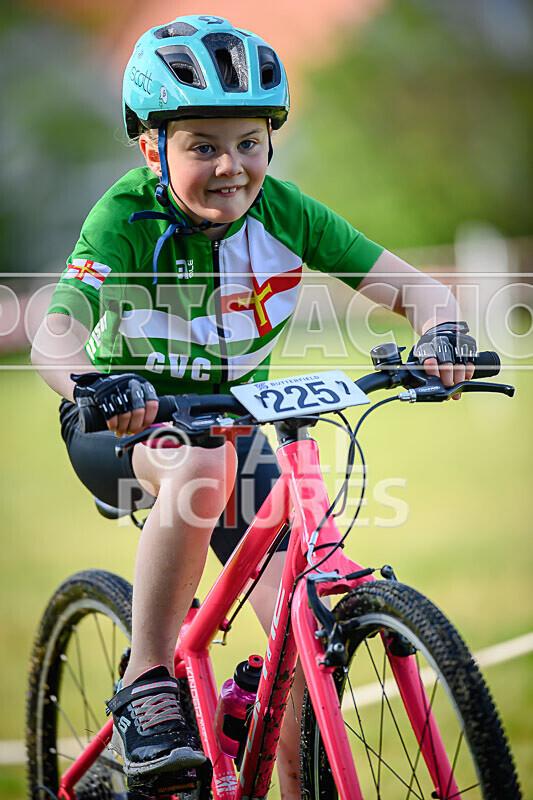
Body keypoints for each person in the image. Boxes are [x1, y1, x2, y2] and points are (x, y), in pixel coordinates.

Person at [31, 14, 477, 798]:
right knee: (199, 462)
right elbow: (55, 329)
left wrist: (442, 334)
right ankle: (146, 680)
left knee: (304, 632)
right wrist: (92, 388)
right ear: (152, 147)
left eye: (248, 141)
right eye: (201, 146)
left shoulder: (285, 210)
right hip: (119, 424)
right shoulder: (122, 217)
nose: (231, 166)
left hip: (234, 428)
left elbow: (419, 290)